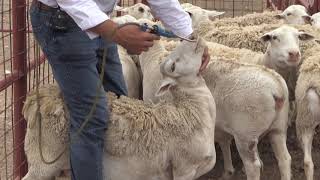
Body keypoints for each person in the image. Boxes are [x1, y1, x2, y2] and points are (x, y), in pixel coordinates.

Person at [30, 0, 210, 179]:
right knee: (92, 117)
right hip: (64, 20)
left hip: (99, 17)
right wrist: (115, 32)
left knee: (121, 106)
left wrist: (191, 38)